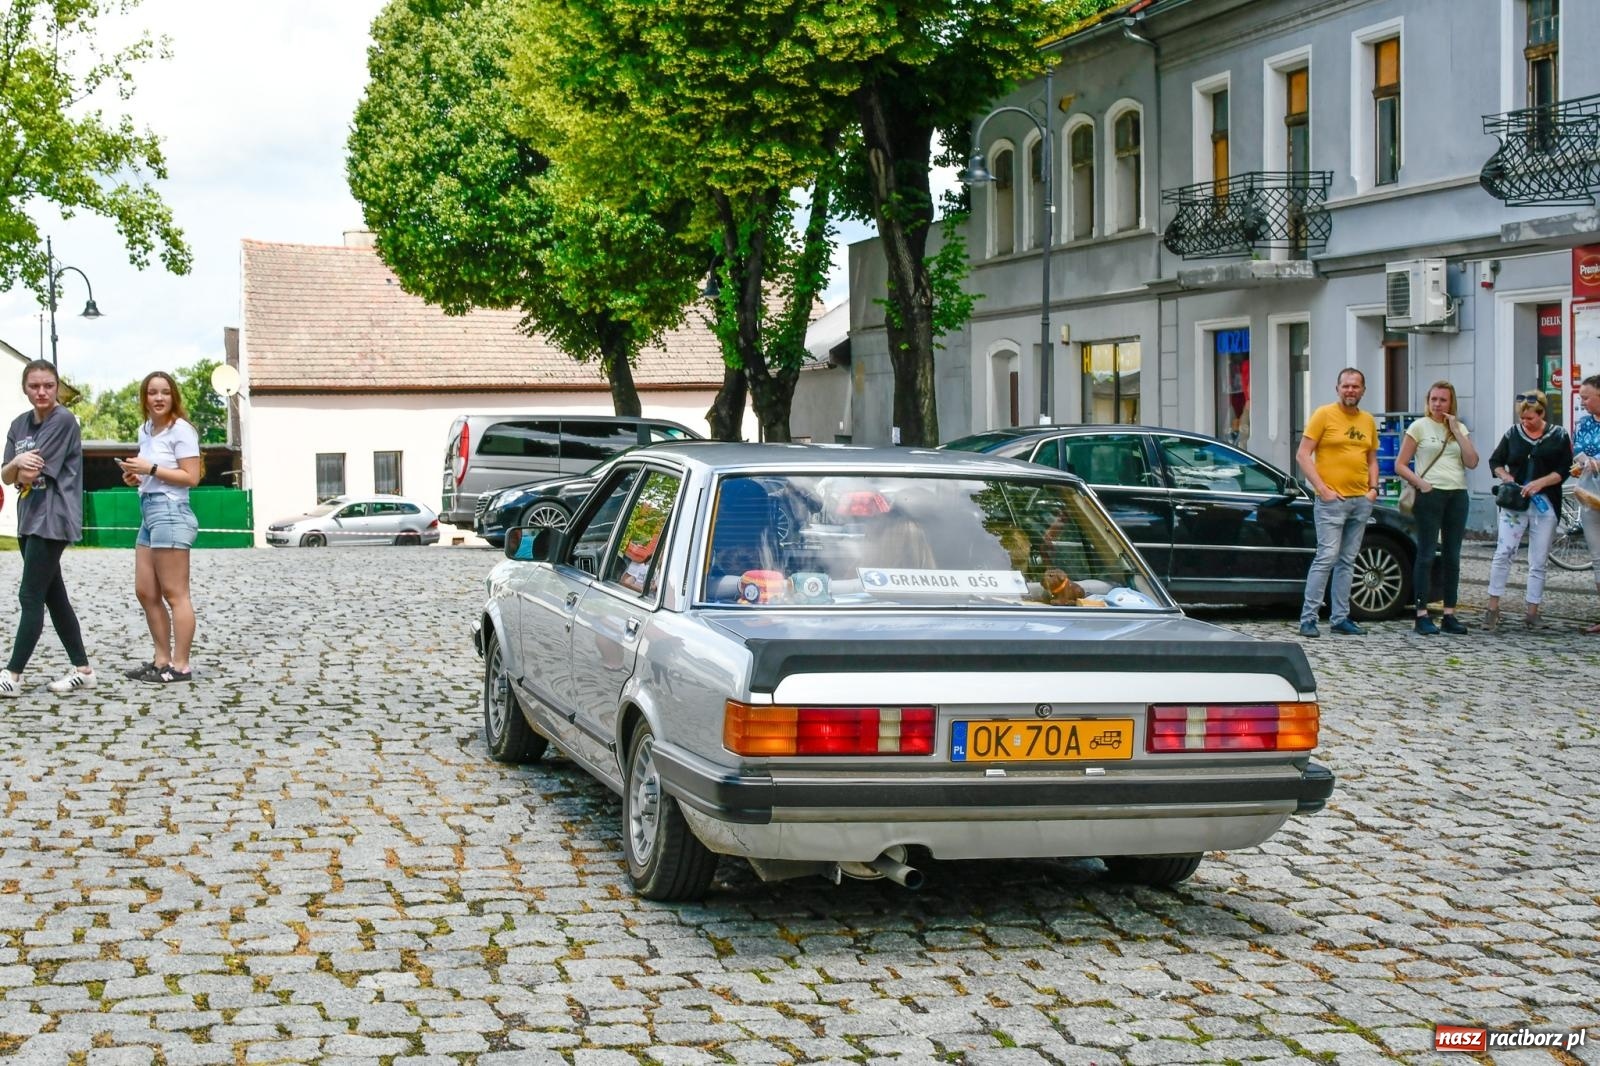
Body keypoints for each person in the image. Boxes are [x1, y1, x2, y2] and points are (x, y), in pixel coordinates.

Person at [0, 360, 94, 696]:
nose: (41, 392)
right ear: (25, 388)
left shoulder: (63, 420)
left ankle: (12, 675)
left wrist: (17, 468)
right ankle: (83, 669)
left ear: (57, 388)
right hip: (28, 517)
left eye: (48, 386)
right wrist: (14, 465)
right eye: (34, 386)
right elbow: (8, 474)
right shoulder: (18, 424)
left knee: (30, 595)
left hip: (53, 518)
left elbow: (30, 472)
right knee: (54, 596)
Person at [115, 371, 202, 683]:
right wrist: (135, 476)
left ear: (173, 396)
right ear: (145, 398)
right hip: (148, 508)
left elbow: (191, 477)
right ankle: (161, 659)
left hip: (171, 509)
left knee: (175, 593)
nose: (159, 398)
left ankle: (180, 666)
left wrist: (150, 468)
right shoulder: (146, 430)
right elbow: (152, 473)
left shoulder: (182, 430)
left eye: (165, 392)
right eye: (153, 392)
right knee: (146, 590)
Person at [1295, 368, 1379, 638]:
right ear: (1337, 388)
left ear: (1363, 390)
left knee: (1348, 560)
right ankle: (1308, 619)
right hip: (1331, 502)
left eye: (1356, 386)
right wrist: (1321, 488)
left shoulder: (1367, 420)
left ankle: (1340, 618)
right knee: (1326, 557)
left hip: (1360, 500)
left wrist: (1373, 489)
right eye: (1346, 386)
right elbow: (1303, 455)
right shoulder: (1324, 414)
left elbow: (1371, 458)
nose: (1350, 390)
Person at [1395, 381, 1480, 634]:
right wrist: (1421, 483)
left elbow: (1472, 461)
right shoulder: (1418, 427)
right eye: (1434, 399)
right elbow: (1400, 464)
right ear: (1427, 401)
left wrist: (1457, 430)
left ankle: (1449, 613)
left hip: (1457, 493)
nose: (1438, 404)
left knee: (1453, 556)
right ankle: (1421, 613)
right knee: (1427, 553)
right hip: (1430, 494)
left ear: (1451, 402)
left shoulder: (1459, 428)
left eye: (1443, 400)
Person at [1484, 392, 1571, 631]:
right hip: (1515, 503)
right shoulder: (1513, 434)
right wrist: (1506, 476)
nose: (1525, 422)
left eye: (1530, 418)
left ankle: (1532, 610)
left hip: (1545, 503)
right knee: (1504, 552)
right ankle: (1492, 607)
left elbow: (1563, 470)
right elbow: (1495, 461)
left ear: (1542, 413)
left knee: (1539, 559)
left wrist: (1540, 483)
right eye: (1522, 418)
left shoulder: (1559, 436)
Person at [1570, 374, 1600, 633]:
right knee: (1598, 556)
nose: (1583, 403)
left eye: (1587, 398)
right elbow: (1578, 448)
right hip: (1591, 495)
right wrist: (1580, 465)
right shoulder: (1584, 423)